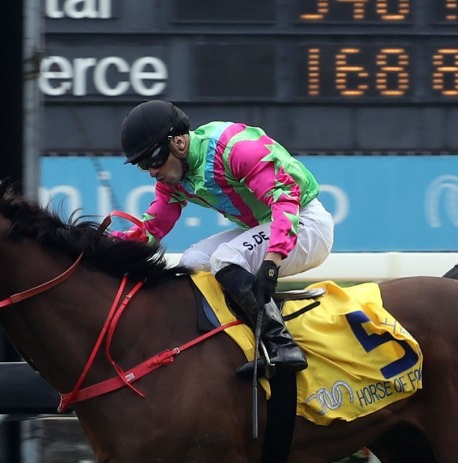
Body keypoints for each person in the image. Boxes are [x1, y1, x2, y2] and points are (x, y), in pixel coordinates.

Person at [118, 99, 334, 376]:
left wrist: (272, 260)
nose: (151, 171)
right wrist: (111, 247)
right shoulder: (175, 178)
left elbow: (284, 201)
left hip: (305, 223)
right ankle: (229, 341)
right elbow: (153, 227)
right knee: (192, 261)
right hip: (266, 226)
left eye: (153, 159)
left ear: (178, 143)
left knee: (226, 258)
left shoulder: (236, 150)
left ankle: (282, 344)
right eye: (142, 165)